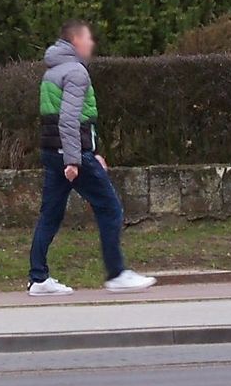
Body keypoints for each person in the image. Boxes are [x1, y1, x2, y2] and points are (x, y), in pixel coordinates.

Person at [28, 19, 157, 296]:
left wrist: (94, 152)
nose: (92, 44)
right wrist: (74, 160)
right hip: (70, 154)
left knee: (50, 215)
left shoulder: (52, 72)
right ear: (76, 41)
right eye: (88, 39)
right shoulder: (76, 72)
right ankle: (117, 273)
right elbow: (70, 120)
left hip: (53, 152)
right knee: (110, 208)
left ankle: (38, 278)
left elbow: (72, 119)